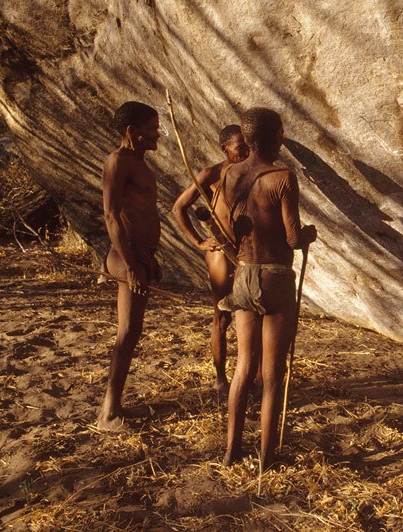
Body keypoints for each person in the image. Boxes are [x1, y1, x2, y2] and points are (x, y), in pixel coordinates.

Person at [218, 107, 316, 468]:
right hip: (275, 277)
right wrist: (308, 236)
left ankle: (231, 450)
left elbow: (228, 229)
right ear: (274, 137)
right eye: (281, 134)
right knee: (273, 373)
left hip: (243, 275)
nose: (282, 140)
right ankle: (266, 455)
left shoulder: (230, 174)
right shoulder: (282, 177)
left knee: (244, 366)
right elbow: (292, 239)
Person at [98, 101, 162, 431]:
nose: (157, 135)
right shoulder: (117, 161)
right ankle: (109, 413)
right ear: (132, 132)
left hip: (139, 254)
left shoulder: (137, 162)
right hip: (127, 256)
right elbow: (111, 216)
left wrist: (146, 259)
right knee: (127, 332)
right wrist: (132, 264)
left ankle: (114, 407)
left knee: (132, 331)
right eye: (152, 130)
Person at [171, 125, 250, 394]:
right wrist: (199, 241)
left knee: (253, 314)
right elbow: (179, 207)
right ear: (225, 149)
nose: (245, 153)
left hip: (248, 251)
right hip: (221, 252)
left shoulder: (252, 171)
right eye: (240, 148)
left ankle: (250, 376)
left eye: (248, 147)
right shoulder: (211, 174)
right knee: (222, 317)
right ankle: (220, 379)